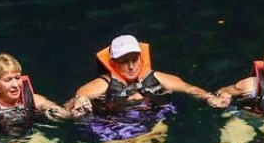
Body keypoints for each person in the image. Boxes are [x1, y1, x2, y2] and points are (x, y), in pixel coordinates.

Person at [69, 34, 229, 117]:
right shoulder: (102, 85)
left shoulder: (157, 78)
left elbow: (189, 88)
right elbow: (74, 102)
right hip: (117, 126)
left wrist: (208, 97)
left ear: (141, 58)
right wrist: (74, 109)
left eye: (134, 60)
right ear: (113, 63)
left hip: (153, 122)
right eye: (124, 61)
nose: (131, 66)